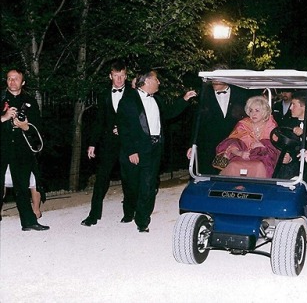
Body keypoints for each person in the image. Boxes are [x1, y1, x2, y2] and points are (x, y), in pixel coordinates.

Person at [117, 70, 196, 232]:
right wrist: (131, 151)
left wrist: (184, 99)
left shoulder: (157, 99)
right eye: (156, 79)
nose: (159, 82)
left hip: (155, 148)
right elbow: (124, 128)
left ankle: (142, 221)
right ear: (146, 81)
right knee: (133, 184)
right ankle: (130, 209)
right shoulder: (128, 101)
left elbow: (169, 113)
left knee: (149, 184)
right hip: (138, 149)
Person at [81, 60, 132, 227]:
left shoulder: (133, 94)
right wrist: (92, 144)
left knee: (128, 179)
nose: (119, 80)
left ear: (126, 76)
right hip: (108, 144)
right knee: (101, 179)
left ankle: (129, 213)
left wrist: (123, 129)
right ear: (110, 76)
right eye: (115, 76)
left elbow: (138, 120)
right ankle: (93, 215)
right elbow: (99, 121)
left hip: (127, 144)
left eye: (122, 76)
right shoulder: (104, 94)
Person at [0, 69, 49, 230]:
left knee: (22, 186)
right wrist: (4, 118)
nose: (12, 82)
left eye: (16, 79)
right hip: (2, 146)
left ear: (23, 82)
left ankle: (29, 222)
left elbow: (38, 128)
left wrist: (24, 126)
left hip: (21, 149)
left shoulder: (30, 101)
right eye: (9, 79)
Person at [186, 68, 248, 175]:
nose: (214, 81)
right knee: (207, 178)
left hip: (231, 147)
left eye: (217, 78)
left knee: (230, 177)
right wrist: (192, 144)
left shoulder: (241, 94)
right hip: (208, 147)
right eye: (212, 78)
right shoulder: (204, 94)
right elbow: (197, 122)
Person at [215, 96, 279, 178]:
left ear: (264, 112)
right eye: (251, 110)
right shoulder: (243, 124)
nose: (253, 114)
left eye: (257, 110)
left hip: (262, 160)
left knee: (259, 166)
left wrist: (262, 145)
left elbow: (276, 148)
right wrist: (240, 153)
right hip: (241, 157)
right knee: (233, 165)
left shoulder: (271, 125)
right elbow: (232, 143)